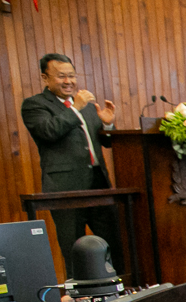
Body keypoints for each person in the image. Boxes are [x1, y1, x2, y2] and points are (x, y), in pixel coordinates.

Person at [21, 53, 123, 279]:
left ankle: (121, 290)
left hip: (99, 186)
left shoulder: (87, 107)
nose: (68, 81)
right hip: (65, 189)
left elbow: (107, 142)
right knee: (74, 249)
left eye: (72, 76)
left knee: (114, 243)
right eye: (61, 76)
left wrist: (108, 125)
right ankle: (81, 296)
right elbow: (48, 132)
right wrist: (75, 109)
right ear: (45, 78)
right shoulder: (35, 105)